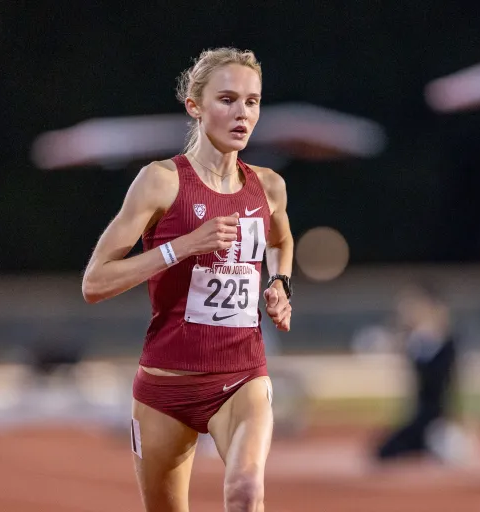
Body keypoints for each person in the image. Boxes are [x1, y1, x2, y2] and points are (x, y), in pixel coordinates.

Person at [81, 47, 294, 512]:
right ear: (195, 107)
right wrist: (181, 247)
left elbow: (281, 239)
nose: (243, 113)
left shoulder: (268, 185)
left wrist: (280, 283)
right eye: (228, 99)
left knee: (244, 491)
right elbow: (95, 282)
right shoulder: (161, 182)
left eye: (253, 101)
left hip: (241, 379)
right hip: (164, 388)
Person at [374, 282, 459, 463]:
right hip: (420, 417)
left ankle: (435, 444)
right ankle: (426, 446)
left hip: (437, 418)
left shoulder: (441, 342)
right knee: (385, 451)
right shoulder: (417, 342)